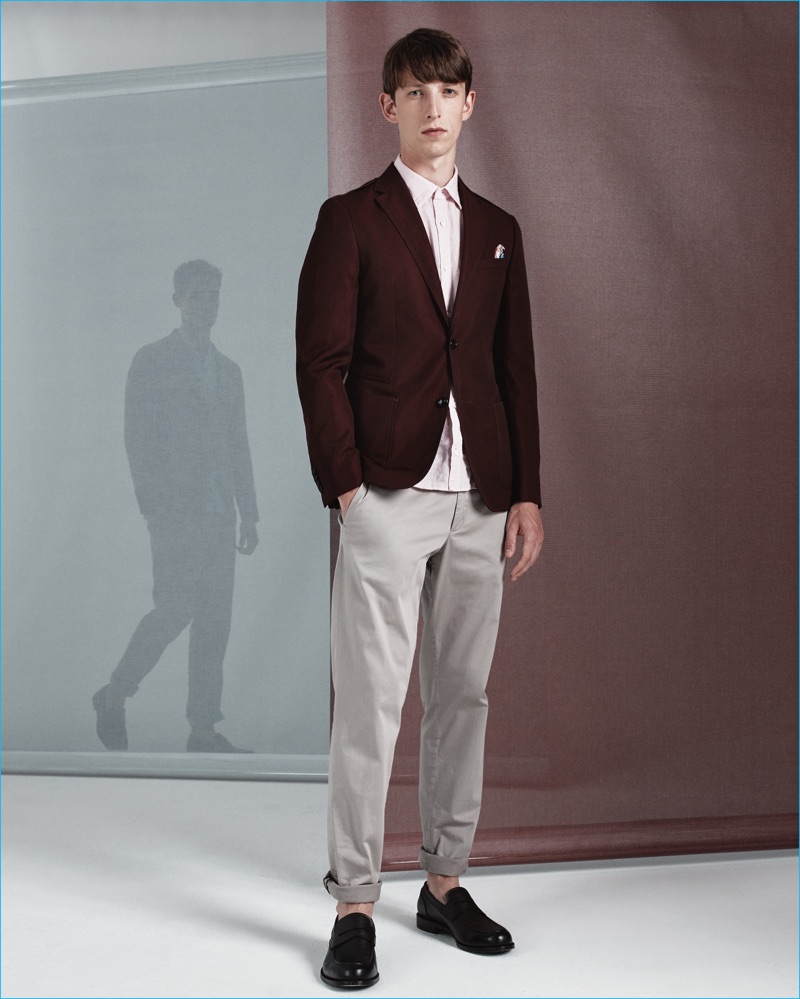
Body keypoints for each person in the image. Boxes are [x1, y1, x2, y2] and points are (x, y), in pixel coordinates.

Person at [296, 28, 543, 988]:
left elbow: (513, 370)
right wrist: (347, 488)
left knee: (463, 694)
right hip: (386, 495)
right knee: (370, 701)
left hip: (480, 495)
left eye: (448, 91)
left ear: (470, 105)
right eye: (415, 92)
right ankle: (355, 902)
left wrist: (526, 490)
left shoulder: (499, 228)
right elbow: (319, 362)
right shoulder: (349, 220)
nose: (433, 107)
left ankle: (443, 884)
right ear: (388, 107)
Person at [93, 260, 260, 754]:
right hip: (174, 514)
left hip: (220, 513)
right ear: (177, 300)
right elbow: (136, 437)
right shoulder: (152, 360)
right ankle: (114, 694)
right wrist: (153, 507)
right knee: (175, 608)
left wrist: (248, 511)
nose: (206, 305)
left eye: (213, 296)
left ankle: (202, 730)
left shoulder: (229, 372)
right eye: (196, 296)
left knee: (214, 621)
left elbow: (239, 444)